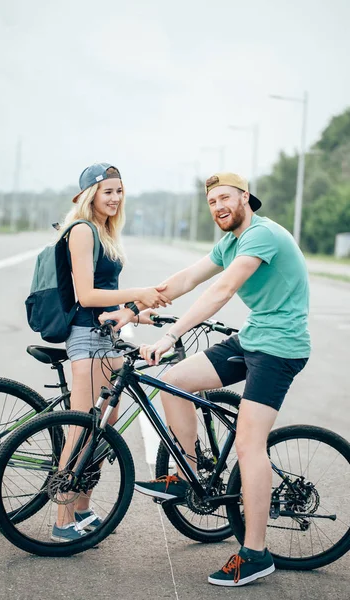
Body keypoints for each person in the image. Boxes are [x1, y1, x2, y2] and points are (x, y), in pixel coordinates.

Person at [101, 172, 310, 587]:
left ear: (245, 198)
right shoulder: (230, 241)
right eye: (212, 201)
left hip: (281, 348)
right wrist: (131, 307)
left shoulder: (261, 236)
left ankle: (255, 553)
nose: (218, 207)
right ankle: (186, 475)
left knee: (250, 445)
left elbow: (222, 291)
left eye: (225, 198)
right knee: (174, 382)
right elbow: (184, 280)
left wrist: (170, 334)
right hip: (252, 339)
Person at [52, 162, 171, 542]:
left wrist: (138, 312)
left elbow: (106, 294)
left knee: (105, 422)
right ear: (90, 195)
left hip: (104, 335)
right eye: (108, 191)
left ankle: (83, 507)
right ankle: (62, 519)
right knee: (82, 427)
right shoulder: (82, 231)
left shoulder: (103, 232)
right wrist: (137, 292)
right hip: (86, 337)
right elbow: (86, 295)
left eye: (120, 191)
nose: (116, 198)